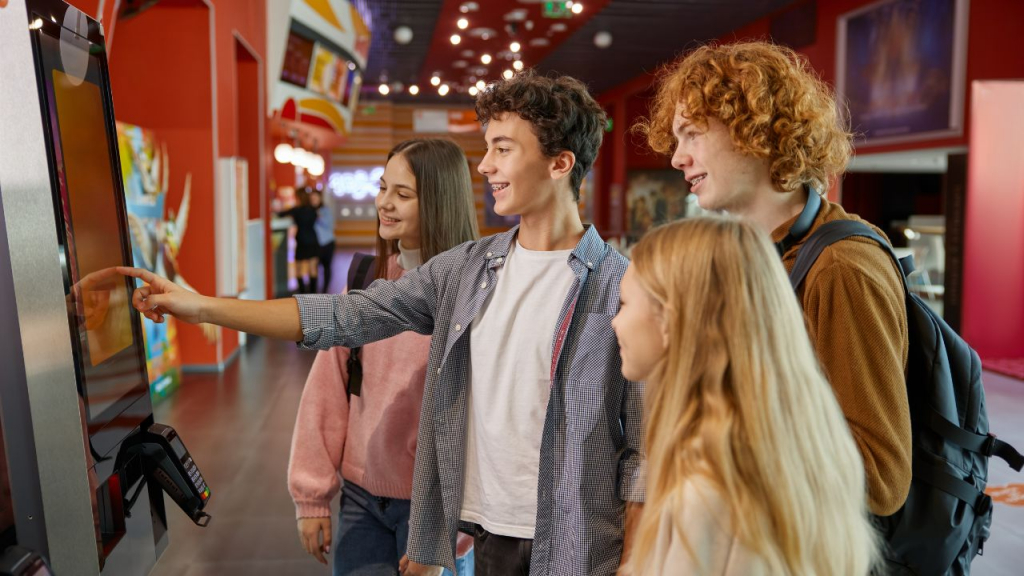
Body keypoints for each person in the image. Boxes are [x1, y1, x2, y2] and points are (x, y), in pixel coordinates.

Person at [119, 70, 643, 576]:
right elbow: (344, 315)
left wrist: (637, 562)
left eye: (502, 149)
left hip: (576, 543)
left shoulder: (623, 286)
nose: (485, 166)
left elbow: (645, 450)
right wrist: (202, 306)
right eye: (487, 148)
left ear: (560, 163)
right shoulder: (466, 271)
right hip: (484, 535)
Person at [640, 41, 912, 518]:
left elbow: (880, 478)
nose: (677, 158)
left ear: (755, 130)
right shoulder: (760, 254)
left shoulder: (841, 267)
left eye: (692, 134)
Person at [612, 217, 879, 575]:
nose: (615, 321)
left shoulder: (706, 489)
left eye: (625, 303)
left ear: (670, 319)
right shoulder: (800, 448)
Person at [288, 139, 478, 575]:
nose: (384, 204)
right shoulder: (366, 278)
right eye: (382, 187)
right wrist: (312, 496)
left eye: (402, 194)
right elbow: (327, 390)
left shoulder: (473, 291)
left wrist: (451, 531)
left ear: (439, 201)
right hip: (361, 498)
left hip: (433, 507)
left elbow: (485, 422)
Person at [278, 187, 320, 294]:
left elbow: (280, 214)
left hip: (301, 240)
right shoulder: (313, 210)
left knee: (299, 269)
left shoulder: (296, 210)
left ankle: (302, 294)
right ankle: (313, 295)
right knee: (313, 268)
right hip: (313, 239)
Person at [309, 189, 336, 293]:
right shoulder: (308, 211)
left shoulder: (325, 210)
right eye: (312, 198)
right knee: (313, 267)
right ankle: (313, 291)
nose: (314, 200)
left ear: (320, 198)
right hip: (314, 245)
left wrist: (318, 215)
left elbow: (330, 225)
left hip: (327, 243)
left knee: (327, 267)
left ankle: (325, 290)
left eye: (315, 198)